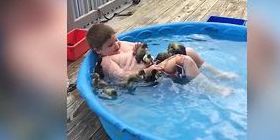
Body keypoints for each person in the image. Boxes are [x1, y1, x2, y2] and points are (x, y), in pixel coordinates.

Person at [85, 23, 235, 96]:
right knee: (184, 60)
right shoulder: (106, 62)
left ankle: (218, 74)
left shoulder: (122, 45)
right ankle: (216, 90)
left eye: (116, 40)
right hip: (148, 77)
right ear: (97, 50)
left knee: (189, 51)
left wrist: (140, 50)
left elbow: (146, 51)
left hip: (155, 65)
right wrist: (145, 71)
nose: (116, 45)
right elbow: (122, 79)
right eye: (110, 45)